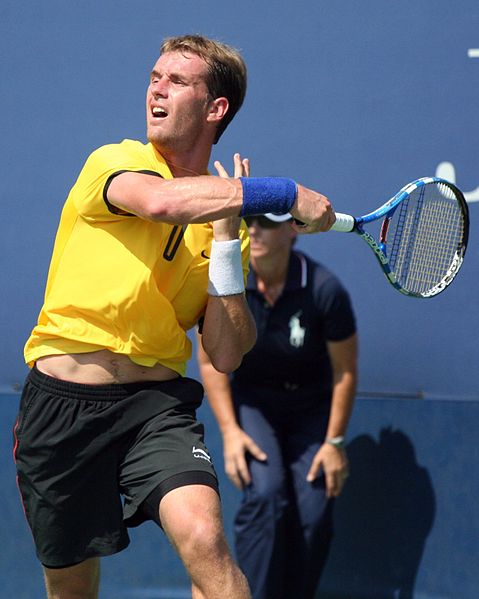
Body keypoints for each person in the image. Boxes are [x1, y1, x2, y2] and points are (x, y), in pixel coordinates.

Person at [13, 34, 335, 599]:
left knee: (205, 540)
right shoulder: (114, 162)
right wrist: (277, 193)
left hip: (153, 411)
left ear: (216, 109)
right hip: (61, 407)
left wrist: (228, 241)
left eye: (177, 81)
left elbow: (227, 352)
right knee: (71, 590)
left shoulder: (218, 226)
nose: (157, 89)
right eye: (154, 77)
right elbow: (165, 203)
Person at [197, 213, 358, 599]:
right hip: (255, 403)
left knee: (316, 508)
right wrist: (231, 432)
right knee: (266, 494)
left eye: (267, 223)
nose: (254, 230)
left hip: (311, 408)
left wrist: (334, 443)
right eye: (249, 221)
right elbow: (209, 360)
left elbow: (345, 371)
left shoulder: (324, 289)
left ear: (292, 231)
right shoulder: (229, 283)